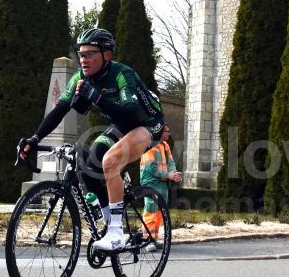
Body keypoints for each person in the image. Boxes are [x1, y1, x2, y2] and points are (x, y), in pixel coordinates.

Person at [19, 28, 165, 251]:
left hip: (147, 124)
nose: (83, 59)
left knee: (109, 161)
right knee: (92, 162)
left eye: (89, 54)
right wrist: (35, 138)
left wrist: (96, 96)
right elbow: (59, 110)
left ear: (107, 55)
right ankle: (111, 225)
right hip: (121, 125)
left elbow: (131, 114)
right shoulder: (80, 77)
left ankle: (116, 233)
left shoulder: (121, 73)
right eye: (81, 54)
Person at [140, 124, 182, 252]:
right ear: (159, 132)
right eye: (167, 131)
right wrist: (169, 175)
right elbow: (150, 168)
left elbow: (171, 162)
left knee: (159, 212)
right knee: (151, 210)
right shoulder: (149, 145)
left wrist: (173, 174)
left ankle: (153, 238)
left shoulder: (165, 145)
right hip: (151, 183)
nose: (169, 134)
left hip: (162, 182)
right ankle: (146, 240)